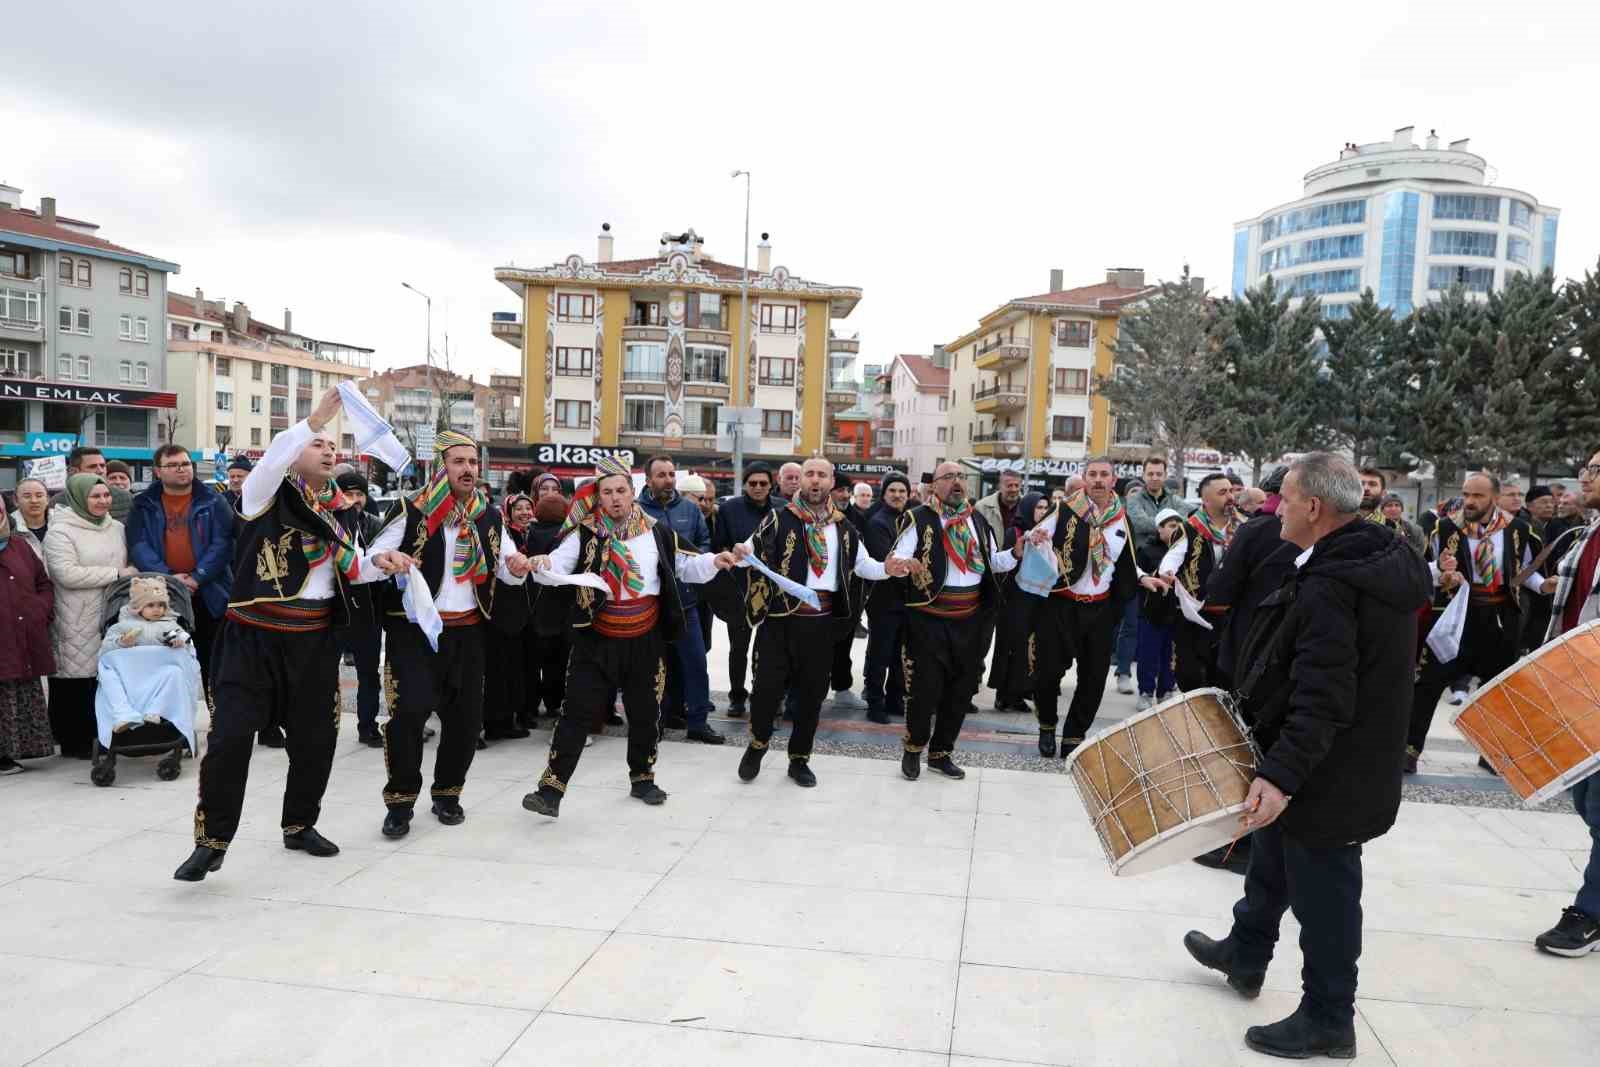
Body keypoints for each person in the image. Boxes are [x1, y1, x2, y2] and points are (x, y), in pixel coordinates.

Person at [1183, 452, 1431, 1059]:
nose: (1276, 507)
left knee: (1326, 895)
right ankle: (1247, 951)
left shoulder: (1334, 584)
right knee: (1271, 853)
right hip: (1342, 753)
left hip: (1332, 768)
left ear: (1314, 508)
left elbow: (1323, 694)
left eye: (1286, 499)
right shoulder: (1378, 555)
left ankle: (1328, 1017)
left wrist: (1282, 772)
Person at [175, 388, 385, 882]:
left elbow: (348, 569)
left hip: (313, 640)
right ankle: (211, 842)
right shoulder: (264, 493)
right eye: (318, 445)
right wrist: (312, 420)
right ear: (294, 455)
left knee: (316, 740)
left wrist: (384, 563)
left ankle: (300, 824)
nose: (329, 450)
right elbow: (271, 461)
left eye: (333, 445)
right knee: (229, 740)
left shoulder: (339, 510)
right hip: (253, 637)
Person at [521, 457, 738, 817]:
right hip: (597, 639)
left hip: (645, 639)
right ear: (598, 497)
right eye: (607, 492)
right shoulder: (584, 533)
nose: (615, 498)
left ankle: (643, 778)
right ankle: (550, 791)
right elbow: (556, 567)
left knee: (646, 712)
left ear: (632, 492)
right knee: (575, 713)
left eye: (621, 490)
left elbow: (688, 566)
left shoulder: (657, 532)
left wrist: (715, 562)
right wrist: (541, 565)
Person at [365, 430, 531, 838]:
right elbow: (368, 560)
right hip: (416, 633)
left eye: (473, 463)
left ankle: (447, 794)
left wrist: (520, 566)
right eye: (458, 462)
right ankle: (400, 803)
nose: (468, 470)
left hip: (469, 632)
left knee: (465, 719)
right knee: (409, 714)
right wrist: (386, 559)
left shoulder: (488, 516)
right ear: (440, 467)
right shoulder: (411, 510)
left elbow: (506, 570)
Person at [729, 457, 908, 787]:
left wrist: (887, 568)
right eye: (809, 474)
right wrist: (740, 554)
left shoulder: (844, 526)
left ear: (831, 483)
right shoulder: (777, 519)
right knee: (767, 691)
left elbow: (864, 565)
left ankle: (799, 759)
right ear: (801, 481)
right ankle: (758, 744)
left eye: (821, 475)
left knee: (812, 695)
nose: (814, 480)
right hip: (780, 621)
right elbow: (750, 553)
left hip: (822, 622)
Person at [890, 460, 1021, 780]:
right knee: (925, 690)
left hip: (971, 620)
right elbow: (896, 557)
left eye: (961, 477)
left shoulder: (976, 520)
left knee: (960, 691)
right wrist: (904, 563)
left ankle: (941, 753)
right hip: (929, 620)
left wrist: (1016, 554)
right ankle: (913, 749)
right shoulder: (917, 518)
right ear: (934, 485)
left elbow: (992, 564)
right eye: (948, 477)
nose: (957, 482)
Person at [1407, 471, 1543, 772]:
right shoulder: (1444, 527)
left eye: (1477, 496)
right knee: (1428, 682)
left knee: (1500, 689)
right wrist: (1443, 573)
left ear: (1494, 498)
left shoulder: (1518, 529)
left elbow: (1524, 572)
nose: (1469, 501)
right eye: (1466, 494)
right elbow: (1428, 568)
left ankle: (1493, 755)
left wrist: (1543, 585)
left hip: (1499, 617)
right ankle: (1409, 749)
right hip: (1455, 614)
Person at [1530, 448, 1600, 957]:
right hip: (1578, 689)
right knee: (1584, 800)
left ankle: (1590, 913)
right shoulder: (1585, 536)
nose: (1585, 476)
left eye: (1596, 469)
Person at [1027, 458, 1144, 758]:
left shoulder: (1121, 519)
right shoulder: (1065, 509)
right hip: (1061, 605)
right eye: (1092, 474)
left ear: (1114, 480)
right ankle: (1047, 726)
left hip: (1100, 609)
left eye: (1104, 475)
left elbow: (1124, 563)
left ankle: (1074, 736)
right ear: (1084, 478)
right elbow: (1035, 537)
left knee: (1093, 679)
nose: (1098, 480)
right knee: (1047, 673)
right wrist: (1036, 538)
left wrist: (1143, 579)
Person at [124, 443, 235, 702]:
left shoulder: (213, 500)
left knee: (215, 665)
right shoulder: (142, 504)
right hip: (162, 595)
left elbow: (223, 542)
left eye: (185, 464)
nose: (181, 469)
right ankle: (172, 729)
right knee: (168, 663)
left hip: (211, 593)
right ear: (158, 471)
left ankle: (218, 727)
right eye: (172, 465)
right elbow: (138, 545)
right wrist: (169, 577)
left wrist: (197, 576)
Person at [43, 473, 135, 759]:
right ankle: (72, 740)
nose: (102, 501)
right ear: (79, 498)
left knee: (104, 676)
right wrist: (115, 575)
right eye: (95, 496)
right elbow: (65, 573)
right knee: (75, 678)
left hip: (110, 612)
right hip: (76, 614)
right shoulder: (60, 531)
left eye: (106, 495)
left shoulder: (116, 527)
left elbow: (127, 563)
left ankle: (102, 735)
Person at [638, 456, 722, 744]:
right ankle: (654, 721)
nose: (668, 480)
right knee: (653, 667)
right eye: (661, 475)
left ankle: (698, 723)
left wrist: (689, 560)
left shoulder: (690, 508)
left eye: (671, 474)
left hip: (686, 602)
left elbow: (704, 544)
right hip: (652, 605)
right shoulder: (636, 512)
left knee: (696, 663)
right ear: (648, 479)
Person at [1159, 473, 1240, 690]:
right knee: (1190, 677)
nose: (1230, 496)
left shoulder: (1244, 527)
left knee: (1224, 679)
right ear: (1206, 500)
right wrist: (1166, 572)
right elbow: (1172, 557)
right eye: (1223, 492)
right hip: (1194, 615)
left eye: (1231, 491)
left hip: (1231, 616)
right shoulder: (1189, 528)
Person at [711, 463, 778, 718]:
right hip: (739, 588)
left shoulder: (781, 509)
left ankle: (766, 695)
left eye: (763, 483)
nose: (758, 488)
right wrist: (734, 550)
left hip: (772, 589)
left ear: (771, 485)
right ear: (745, 485)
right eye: (753, 484)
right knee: (738, 647)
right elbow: (719, 544)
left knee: (769, 649)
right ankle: (737, 696)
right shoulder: (729, 509)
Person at [1123, 456, 1188, 695]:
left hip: (1171, 578)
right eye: (1150, 473)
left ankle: (1166, 687)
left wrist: (1170, 524)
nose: (1154, 477)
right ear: (1143, 473)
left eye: (1159, 473)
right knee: (1134, 629)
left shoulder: (1174, 499)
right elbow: (1138, 523)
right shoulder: (1134, 499)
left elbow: (1187, 517)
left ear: (1165, 474)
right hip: (1142, 566)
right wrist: (1166, 523)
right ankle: (1126, 674)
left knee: (1168, 644)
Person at [331, 470, 386, 746]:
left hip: (367, 611)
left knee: (368, 673)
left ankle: (368, 725)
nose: (354, 500)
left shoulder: (375, 525)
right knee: (324, 673)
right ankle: (322, 725)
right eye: (348, 494)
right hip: (333, 612)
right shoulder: (327, 523)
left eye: (359, 494)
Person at [0, 507, 55, 774]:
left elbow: (43, 583)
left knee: (20, 691)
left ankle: (18, 751)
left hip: (22, 631)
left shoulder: (18, 545)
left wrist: (38, 609)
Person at [990, 491, 1051, 715]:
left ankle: (1017, 694)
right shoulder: (1014, 532)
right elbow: (1006, 564)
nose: (1042, 512)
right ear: (1028, 509)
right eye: (1038, 507)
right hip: (1014, 599)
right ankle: (1003, 695)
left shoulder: (1047, 534)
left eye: (1046, 508)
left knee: (1026, 648)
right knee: (1010, 646)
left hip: (1036, 599)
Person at [863, 473, 913, 724]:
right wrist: (915, 575)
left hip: (908, 601)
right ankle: (874, 703)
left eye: (902, 491)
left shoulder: (910, 520)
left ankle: (895, 699)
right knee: (880, 654)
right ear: (884, 494)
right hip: (884, 600)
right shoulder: (878, 523)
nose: (897, 495)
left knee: (899, 654)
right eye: (892, 491)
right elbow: (887, 562)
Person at [976, 470, 1025, 707]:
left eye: (1016, 485)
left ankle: (1007, 694)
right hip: (988, 581)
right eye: (1008, 485)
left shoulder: (1028, 507)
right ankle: (967, 691)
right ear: (1000, 485)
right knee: (980, 641)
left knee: (1012, 643)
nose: (1013, 489)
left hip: (1017, 584)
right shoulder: (982, 508)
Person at [524, 491, 572, 725]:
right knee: (559, 661)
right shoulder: (567, 536)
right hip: (562, 606)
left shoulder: (530, 534)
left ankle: (531, 704)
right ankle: (555, 703)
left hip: (536, 604)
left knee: (535, 660)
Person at [1133, 509, 1184, 711]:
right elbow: (1137, 577)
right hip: (1151, 612)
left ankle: (1166, 691)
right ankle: (1146, 692)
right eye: (1171, 526)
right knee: (1148, 654)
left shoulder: (1184, 550)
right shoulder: (1146, 550)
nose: (1175, 530)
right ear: (1159, 528)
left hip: (1175, 612)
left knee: (1169, 654)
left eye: (1179, 526)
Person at [680, 474, 716, 654]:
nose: (705, 504)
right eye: (700, 498)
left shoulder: (718, 516)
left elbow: (706, 544)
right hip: (680, 591)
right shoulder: (674, 515)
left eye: (709, 499)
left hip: (704, 590)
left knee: (703, 644)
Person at [9, 476, 50, 560]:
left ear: (47, 499)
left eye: (39, 496)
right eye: (27, 496)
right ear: (16, 501)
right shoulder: (8, 529)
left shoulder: (62, 523)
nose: (34, 501)